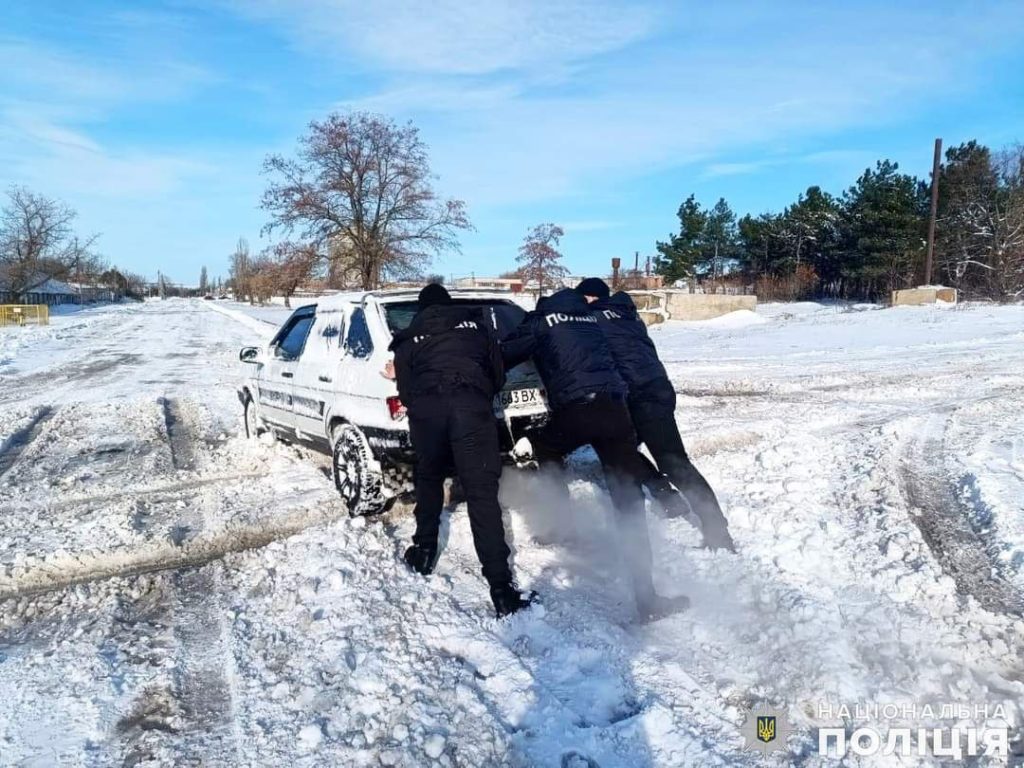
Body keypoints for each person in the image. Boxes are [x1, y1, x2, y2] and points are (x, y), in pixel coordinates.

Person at [502, 287, 689, 620]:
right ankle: (647, 599)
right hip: (617, 412)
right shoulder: (590, 318)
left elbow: (505, 354)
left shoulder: (543, 319)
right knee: (629, 503)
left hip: (577, 410)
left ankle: (562, 524)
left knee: (543, 446)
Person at [389, 283, 533, 618]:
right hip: (471, 411)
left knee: (428, 476)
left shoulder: (408, 338)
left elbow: (406, 392)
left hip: (427, 413)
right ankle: (501, 589)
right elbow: (497, 376)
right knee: (482, 493)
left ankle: (424, 551)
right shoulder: (479, 329)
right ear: (449, 305)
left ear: (422, 310)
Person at [574, 277, 736, 551]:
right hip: (658, 388)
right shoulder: (626, 313)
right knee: (630, 450)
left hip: (639, 395)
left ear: (589, 297)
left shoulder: (593, 317)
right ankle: (668, 496)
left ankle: (718, 533)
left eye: (582, 299)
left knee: (671, 462)